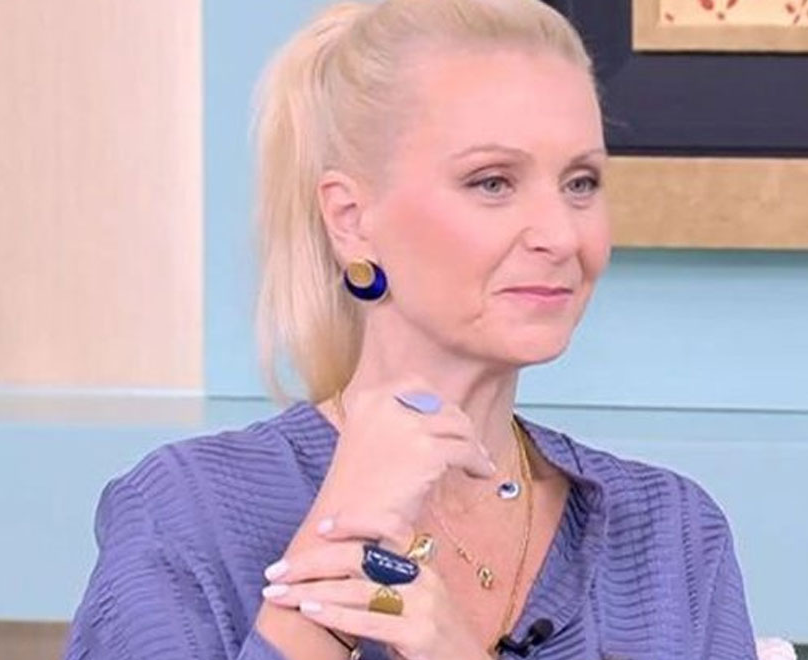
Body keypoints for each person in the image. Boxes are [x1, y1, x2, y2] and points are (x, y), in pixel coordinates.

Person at [64, 0, 757, 658]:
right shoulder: (187, 514)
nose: (560, 234)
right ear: (351, 220)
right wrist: (336, 545)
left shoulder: (671, 538)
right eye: (492, 182)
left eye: (580, 183)